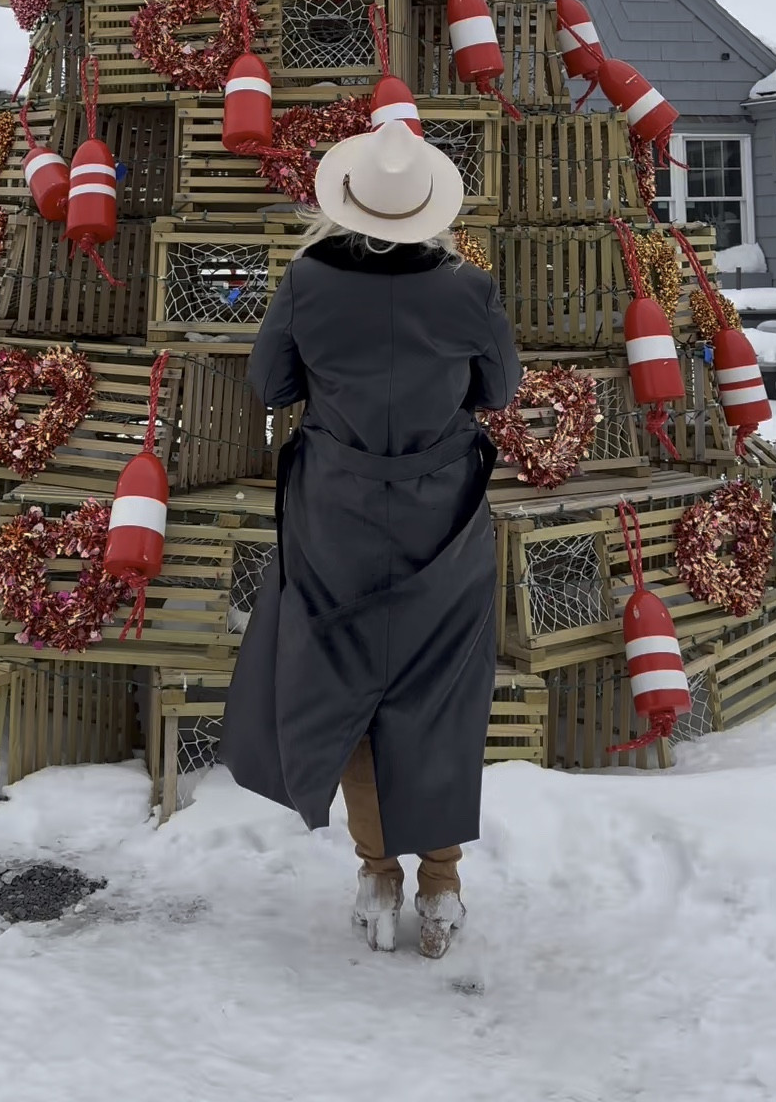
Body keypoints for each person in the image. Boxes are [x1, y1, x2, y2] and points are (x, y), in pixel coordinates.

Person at [219, 118, 521, 958]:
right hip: (445, 522)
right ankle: (444, 883)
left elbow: (272, 383)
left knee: (348, 688)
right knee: (440, 695)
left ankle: (376, 873)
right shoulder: (470, 291)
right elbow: (498, 390)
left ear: (349, 204)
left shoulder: (307, 282)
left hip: (336, 517)